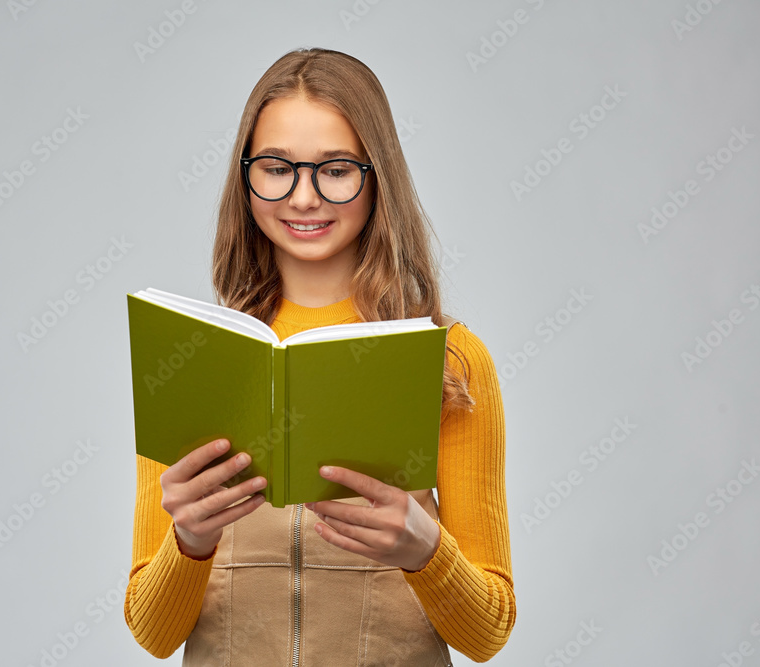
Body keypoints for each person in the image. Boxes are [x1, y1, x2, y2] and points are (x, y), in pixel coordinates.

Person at [125, 47, 515, 665]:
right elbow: (153, 633)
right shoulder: (195, 354)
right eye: (277, 167)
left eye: (335, 170)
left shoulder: (450, 362)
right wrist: (189, 541)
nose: (304, 198)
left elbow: (488, 633)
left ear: (376, 175)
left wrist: (425, 550)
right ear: (245, 175)